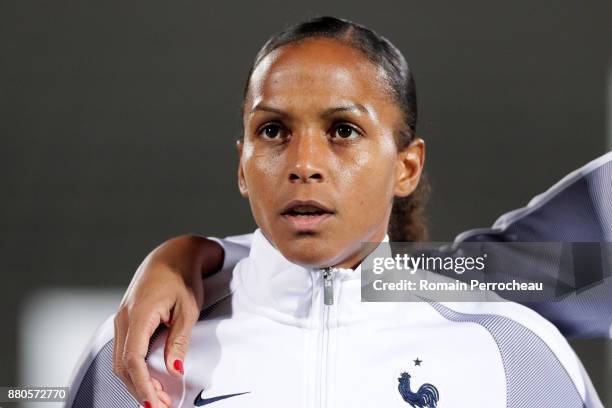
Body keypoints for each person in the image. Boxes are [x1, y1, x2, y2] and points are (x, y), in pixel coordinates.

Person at [67, 16, 604, 408]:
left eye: (343, 131)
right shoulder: (134, 358)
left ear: (406, 167)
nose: (303, 164)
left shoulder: (516, 357)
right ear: (241, 164)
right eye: (272, 131)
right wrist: (206, 257)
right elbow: (549, 270)